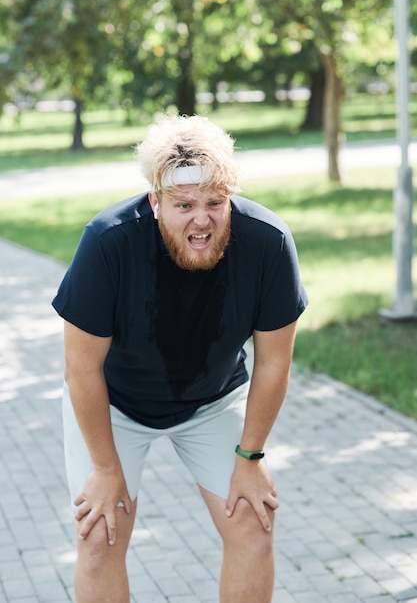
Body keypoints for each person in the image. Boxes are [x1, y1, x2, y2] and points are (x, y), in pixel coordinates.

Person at [52, 114, 308, 603]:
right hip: (114, 404)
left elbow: (274, 363)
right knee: (99, 539)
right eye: (184, 204)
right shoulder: (107, 243)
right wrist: (106, 471)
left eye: (215, 203)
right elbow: (80, 369)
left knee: (254, 528)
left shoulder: (268, 242)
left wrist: (250, 456)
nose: (202, 218)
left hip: (213, 399)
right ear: (154, 201)